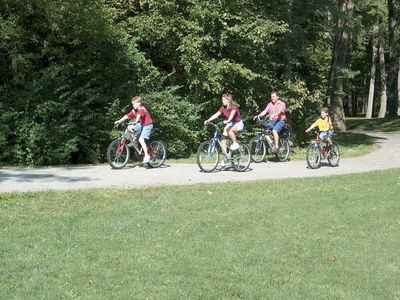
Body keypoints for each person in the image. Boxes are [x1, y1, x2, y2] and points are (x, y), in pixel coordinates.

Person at [114, 96, 154, 163]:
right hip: (141, 125)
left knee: (141, 139)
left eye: (134, 104)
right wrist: (119, 121)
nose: (133, 105)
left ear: (139, 103)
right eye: (132, 104)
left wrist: (135, 121)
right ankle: (134, 141)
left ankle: (147, 155)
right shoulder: (134, 110)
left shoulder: (142, 109)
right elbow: (127, 116)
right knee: (129, 127)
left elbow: (139, 115)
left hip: (148, 125)